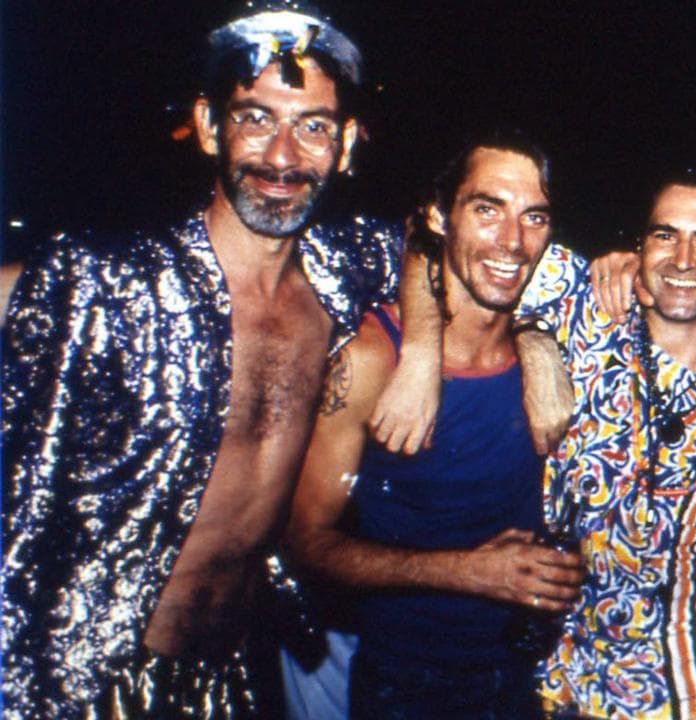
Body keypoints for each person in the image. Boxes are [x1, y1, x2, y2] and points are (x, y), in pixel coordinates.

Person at [1, 7, 402, 718]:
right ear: (211, 126)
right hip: (86, 680)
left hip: (235, 677)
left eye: (312, 126)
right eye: (255, 119)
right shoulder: (109, 282)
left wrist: (431, 347)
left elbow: (475, 261)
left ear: (346, 145)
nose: (281, 157)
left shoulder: (352, 273)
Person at [387, 172, 696, 719]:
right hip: (571, 691)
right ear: (638, 248)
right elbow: (429, 234)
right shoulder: (583, 315)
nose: (682, 259)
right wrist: (443, 348)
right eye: (664, 236)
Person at [283, 137, 584, 719]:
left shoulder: (558, 342)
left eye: (534, 216)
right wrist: (469, 572)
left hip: (530, 683)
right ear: (439, 215)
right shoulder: (372, 361)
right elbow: (305, 544)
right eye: (487, 209)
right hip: (409, 688)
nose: (513, 242)